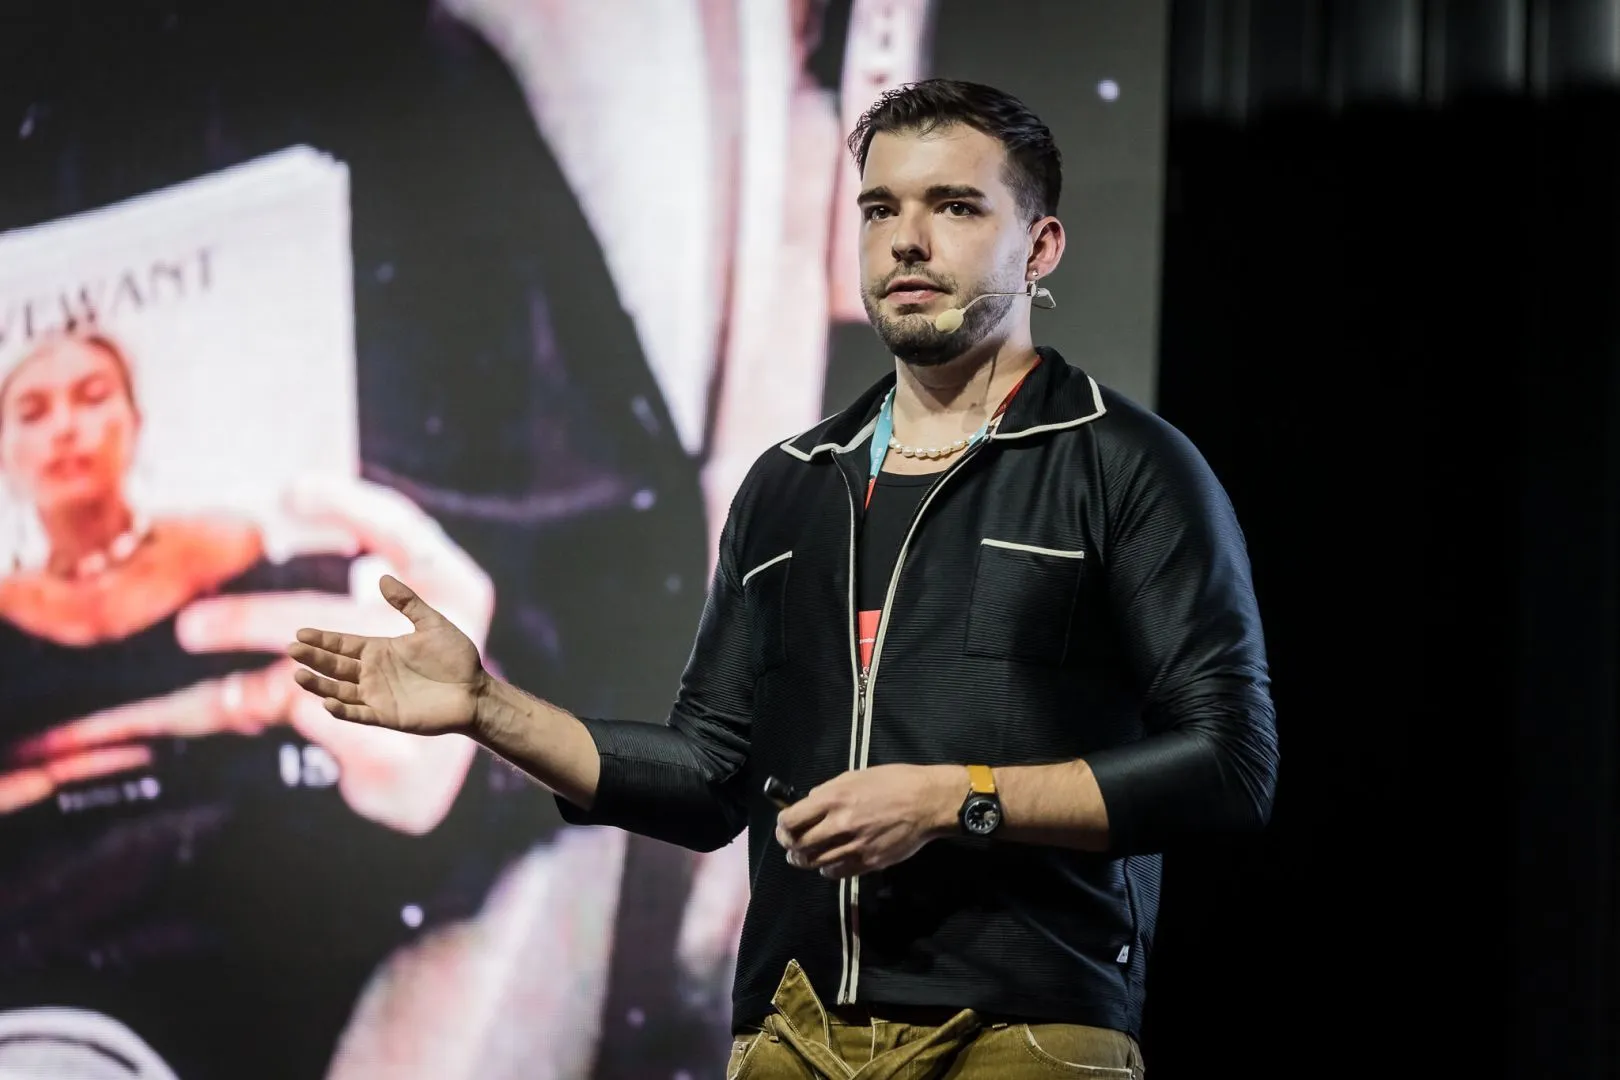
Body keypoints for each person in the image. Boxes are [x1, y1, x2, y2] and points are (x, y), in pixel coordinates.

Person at [291, 77, 1278, 1077]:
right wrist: (483, 709)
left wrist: (956, 800)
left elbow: (1230, 765)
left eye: (954, 207)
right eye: (881, 209)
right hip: (792, 1033)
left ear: (1041, 247)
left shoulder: (1123, 465)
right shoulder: (792, 485)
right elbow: (706, 779)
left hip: (1021, 1027)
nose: (907, 241)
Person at [0, 327, 494, 1078]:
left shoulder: (246, 565)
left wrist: (471, 747)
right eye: (32, 413)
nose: (65, 428)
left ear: (136, 422)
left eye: (92, 398)